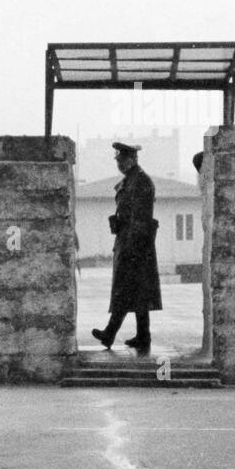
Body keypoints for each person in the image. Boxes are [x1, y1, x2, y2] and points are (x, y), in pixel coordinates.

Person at [92, 142, 162, 354]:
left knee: (127, 290)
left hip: (135, 245)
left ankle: (110, 334)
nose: (119, 164)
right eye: (117, 160)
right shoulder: (132, 180)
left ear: (131, 159)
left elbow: (140, 219)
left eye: (121, 160)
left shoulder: (140, 182)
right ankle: (142, 336)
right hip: (130, 242)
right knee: (136, 292)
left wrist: (132, 248)